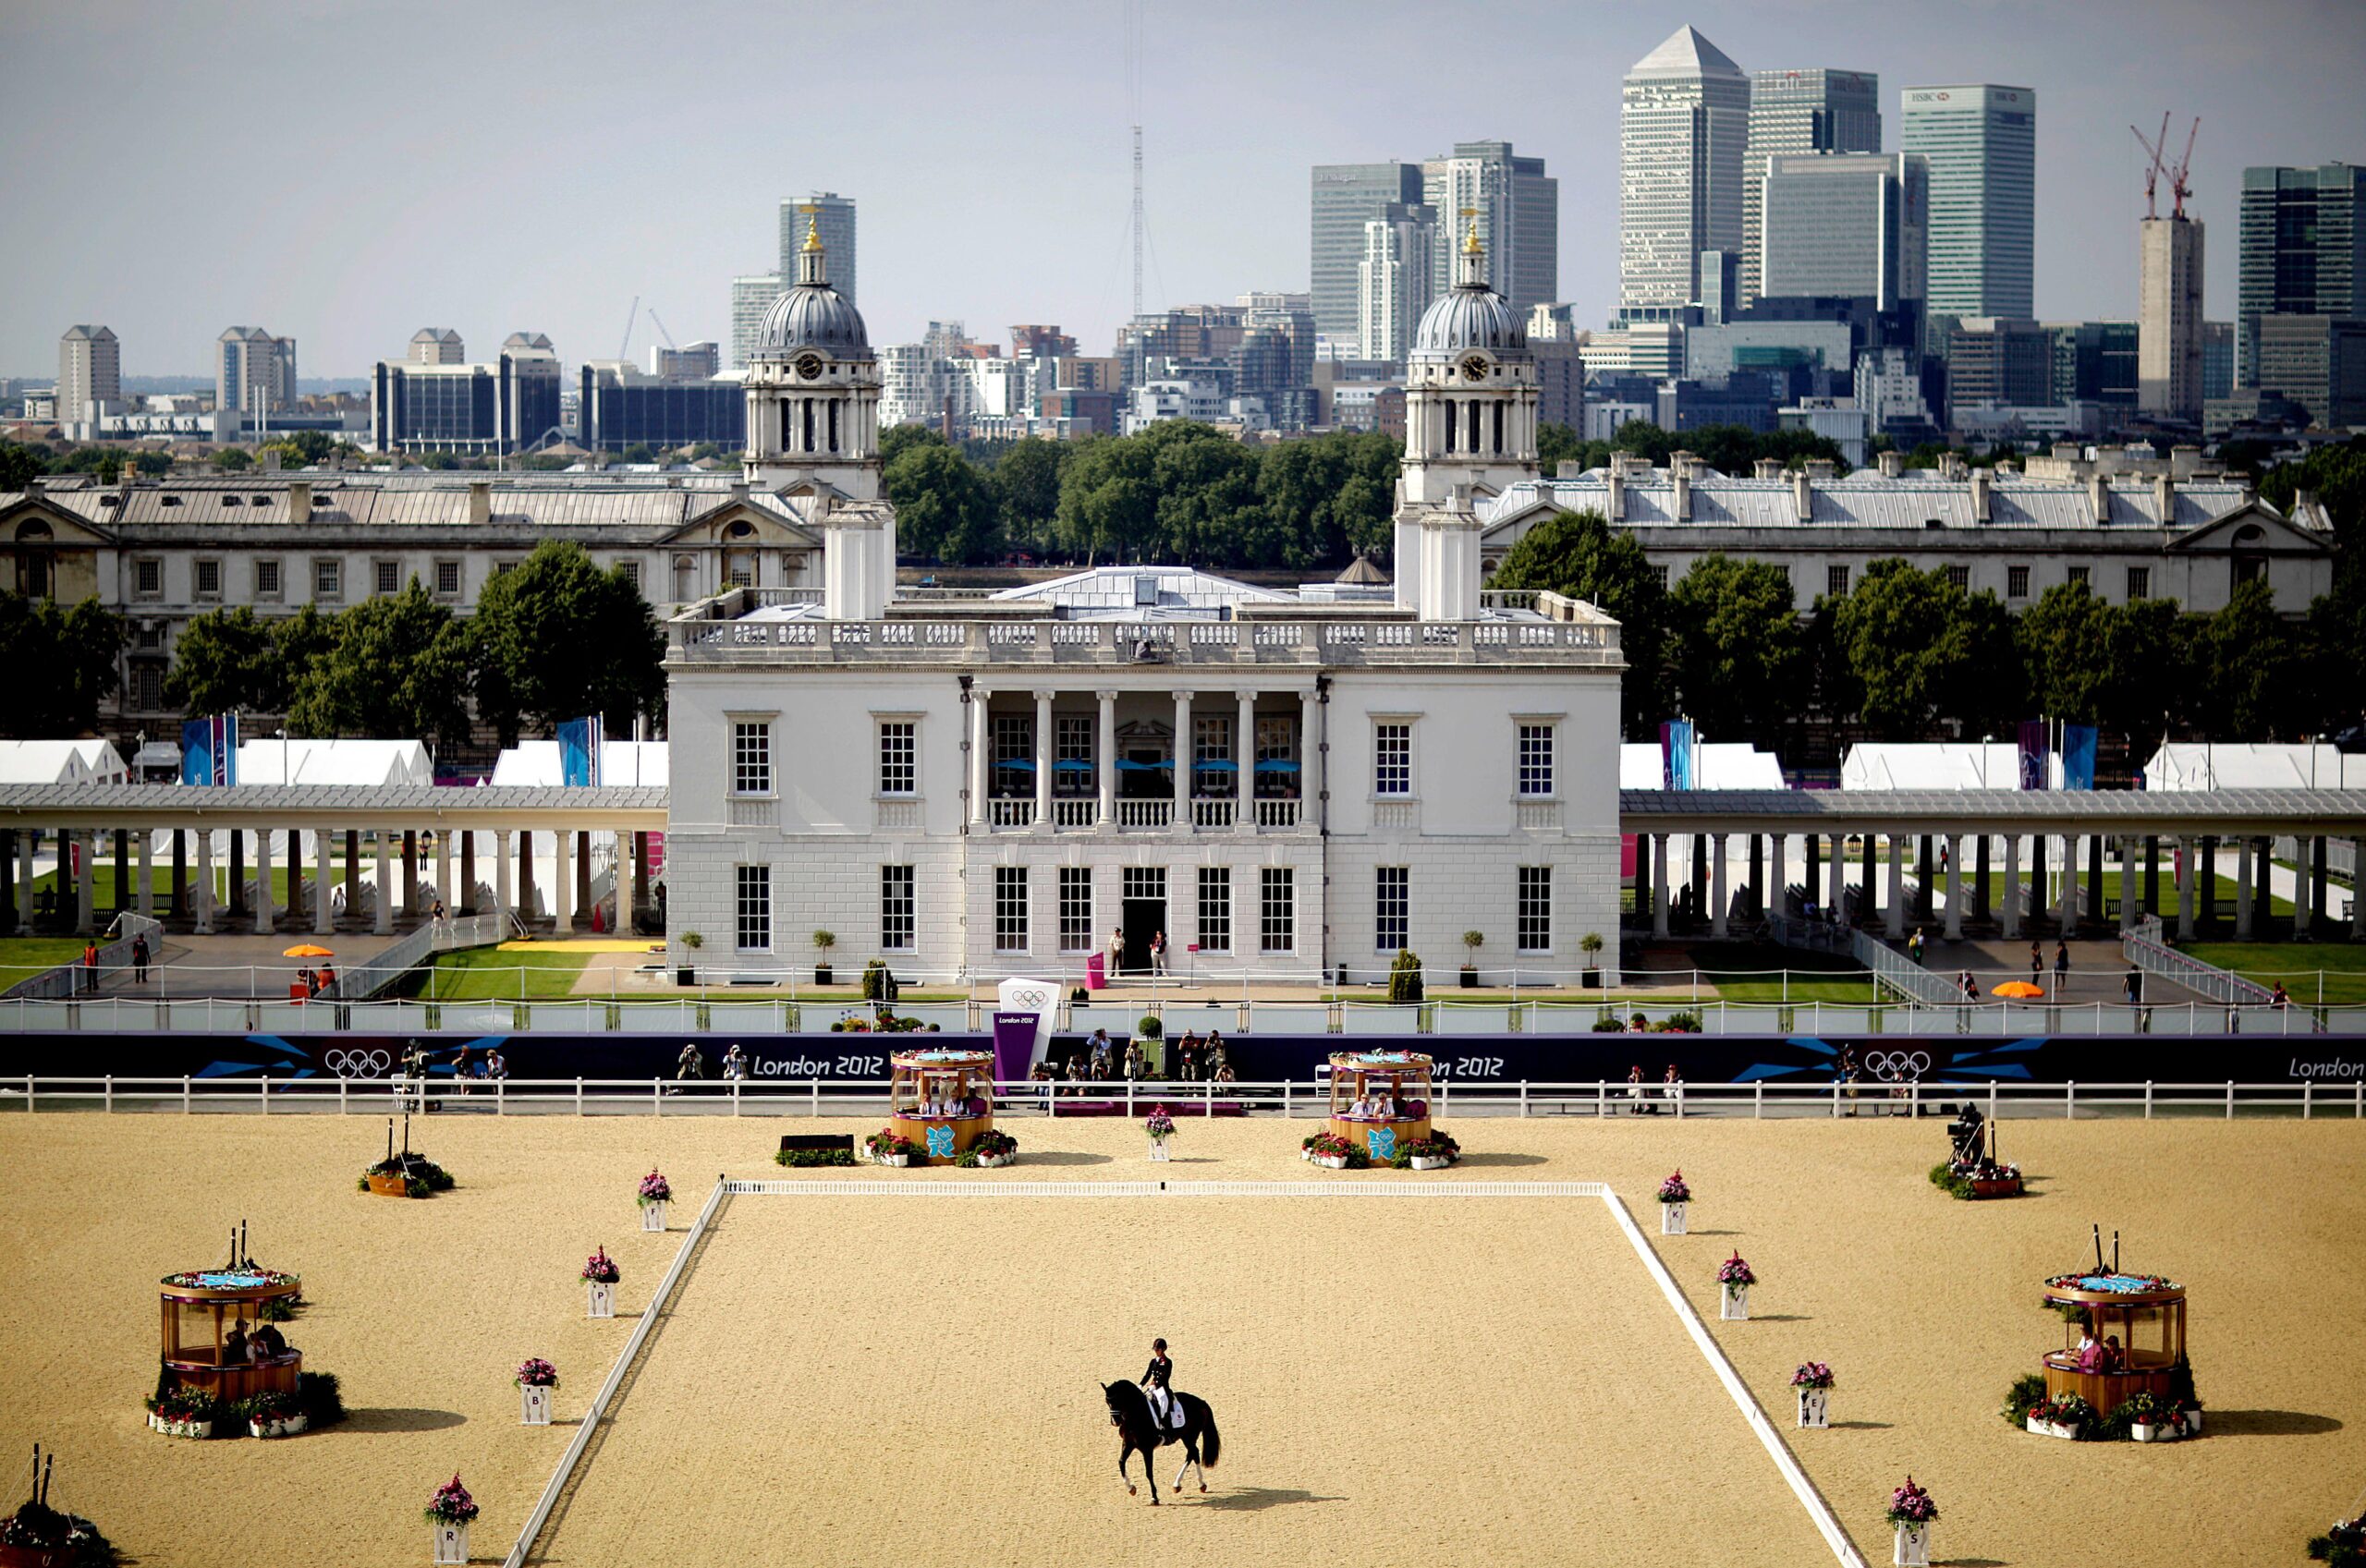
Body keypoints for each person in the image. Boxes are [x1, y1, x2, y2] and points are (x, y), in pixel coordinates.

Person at [1141, 1338, 1180, 1429]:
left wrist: (1155, 1385)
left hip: (1162, 1388)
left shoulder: (1168, 1362)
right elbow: (1147, 1375)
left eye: (1158, 1349)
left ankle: (1162, 1424)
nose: (1156, 1351)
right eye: (1155, 1349)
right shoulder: (1153, 1361)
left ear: (1163, 1349)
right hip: (1152, 1387)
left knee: (1163, 1401)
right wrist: (1140, 1385)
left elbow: (1165, 1376)